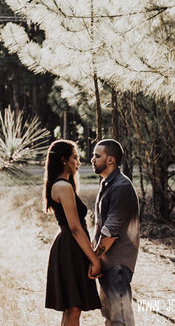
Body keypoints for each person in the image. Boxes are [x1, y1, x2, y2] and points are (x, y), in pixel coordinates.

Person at [43, 139, 102, 324]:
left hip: (71, 247)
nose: (79, 162)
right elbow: (75, 228)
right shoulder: (63, 187)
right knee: (74, 308)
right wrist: (94, 260)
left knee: (71, 309)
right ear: (63, 160)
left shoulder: (63, 185)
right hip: (70, 248)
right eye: (75, 157)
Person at [90, 138, 140, 326]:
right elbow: (101, 226)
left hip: (117, 264)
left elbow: (111, 231)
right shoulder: (107, 183)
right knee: (110, 317)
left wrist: (94, 258)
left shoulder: (121, 187)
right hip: (107, 262)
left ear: (110, 160)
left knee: (121, 319)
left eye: (97, 156)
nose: (92, 159)